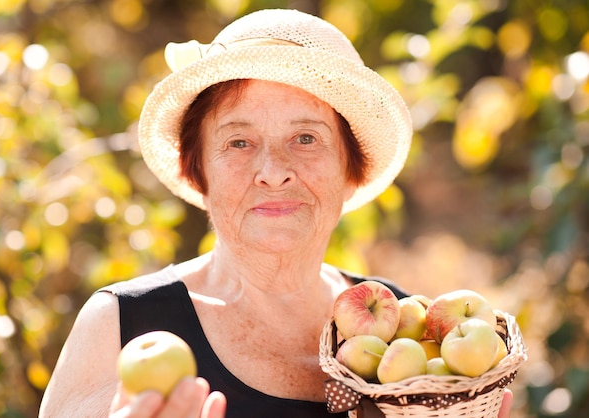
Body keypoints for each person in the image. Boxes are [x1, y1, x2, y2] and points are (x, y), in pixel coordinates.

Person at [38, 9, 513, 418]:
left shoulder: (411, 333)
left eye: (305, 138)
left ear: (351, 170)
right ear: (198, 170)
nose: (273, 171)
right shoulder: (123, 325)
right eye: (238, 142)